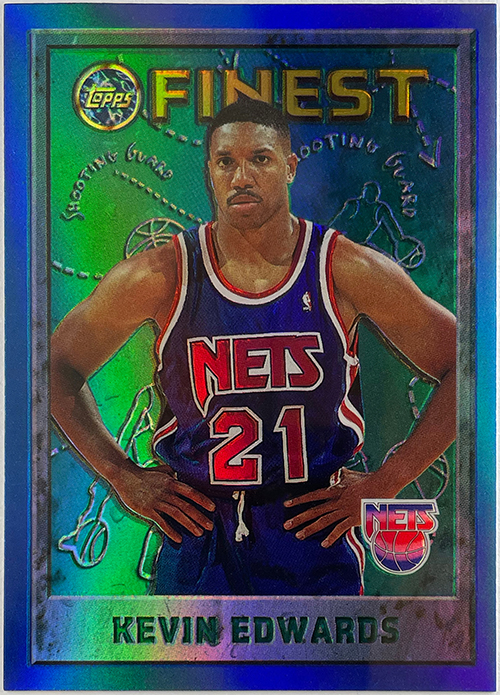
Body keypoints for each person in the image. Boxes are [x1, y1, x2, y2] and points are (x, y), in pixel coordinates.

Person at [51, 98, 456, 596]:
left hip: (312, 533)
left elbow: (469, 365)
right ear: (209, 174)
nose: (241, 176)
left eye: (260, 159)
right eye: (226, 162)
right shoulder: (161, 275)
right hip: (197, 532)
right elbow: (54, 367)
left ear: (290, 167)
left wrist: (386, 481)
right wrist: (120, 474)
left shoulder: (344, 268)